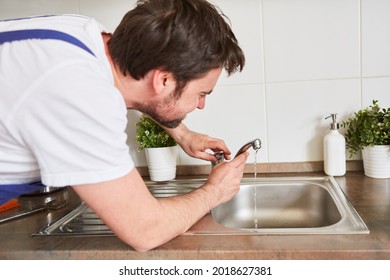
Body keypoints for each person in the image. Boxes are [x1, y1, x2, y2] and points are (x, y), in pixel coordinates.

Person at [0, 0, 247, 251]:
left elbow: (134, 88)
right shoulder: (82, 94)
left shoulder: (87, 36)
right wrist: (215, 191)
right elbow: (146, 230)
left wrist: (181, 133)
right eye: (202, 93)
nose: (201, 104)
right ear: (163, 80)